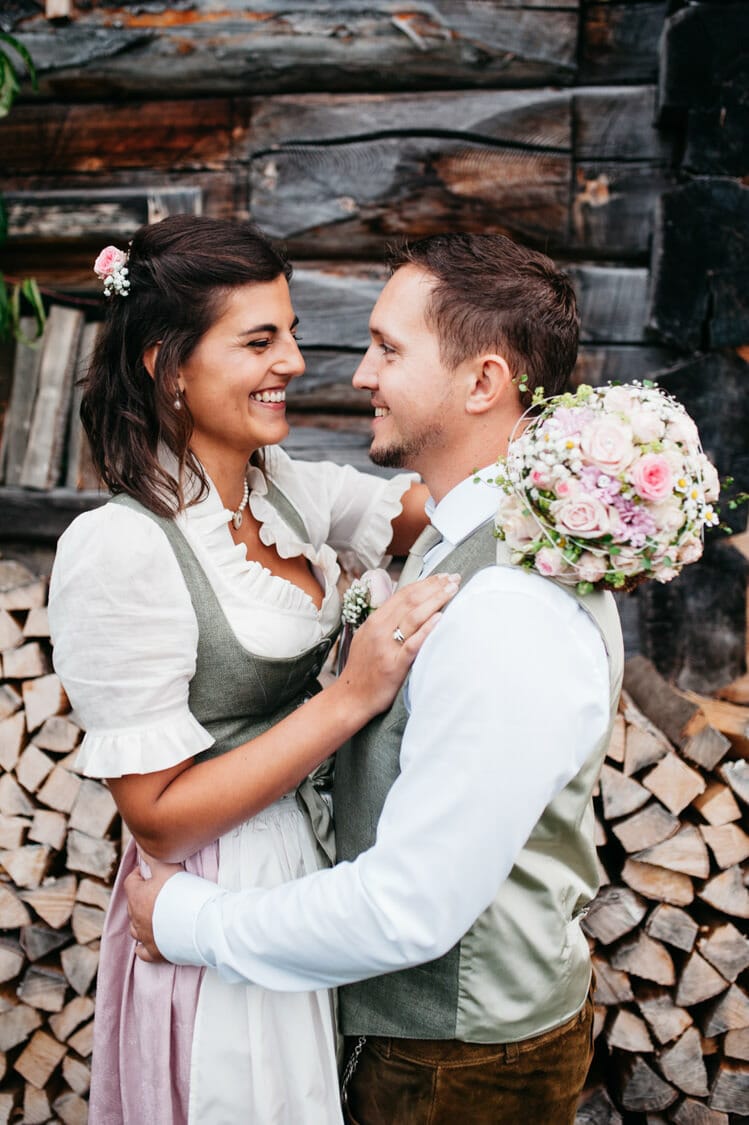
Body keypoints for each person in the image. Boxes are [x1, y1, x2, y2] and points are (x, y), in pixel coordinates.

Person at [126, 233, 625, 1124]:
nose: (356, 374)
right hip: (416, 1040)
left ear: (481, 382)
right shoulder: (463, 534)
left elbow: (409, 909)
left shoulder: (508, 604)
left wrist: (190, 922)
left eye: (388, 349)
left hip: (454, 1061)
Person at [47, 215, 460, 1125]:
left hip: (307, 880)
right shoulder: (119, 548)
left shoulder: (288, 491)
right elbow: (155, 818)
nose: (294, 363)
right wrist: (352, 697)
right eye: (259, 340)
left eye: (294, 335)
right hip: (210, 894)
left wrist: (572, 477)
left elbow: (434, 512)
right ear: (168, 363)